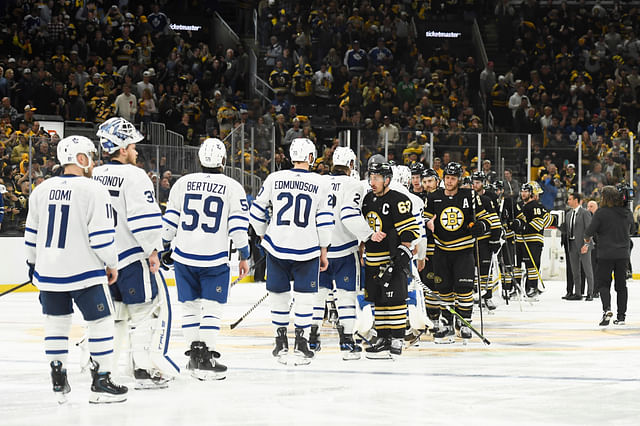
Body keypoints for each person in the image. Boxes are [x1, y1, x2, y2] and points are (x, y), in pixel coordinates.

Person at [24, 135, 127, 403]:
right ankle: (102, 380)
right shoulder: (94, 190)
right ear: (81, 159)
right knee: (102, 323)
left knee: (56, 324)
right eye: (91, 156)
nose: (94, 161)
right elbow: (102, 238)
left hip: (49, 274)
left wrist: (32, 264)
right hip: (85, 273)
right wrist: (112, 263)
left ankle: (58, 380)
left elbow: (31, 234)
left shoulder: (41, 190)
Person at [93, 117, 176, 389]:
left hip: (102, 260)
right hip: (130, 258)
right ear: (121, 147)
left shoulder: (93, 175)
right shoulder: (135, 175)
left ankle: (103, 368)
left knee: (113, 315)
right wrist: (154, 249)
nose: (136, 150)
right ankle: (142, 368)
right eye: (132, 145)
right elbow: (143, 219)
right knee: (147, 311)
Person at [162, 138, 250, 379]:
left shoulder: (183, 183)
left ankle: (194, 357)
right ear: (223, 160)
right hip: (214, 257)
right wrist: (245, 253)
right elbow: (238, 228)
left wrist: (163, 245)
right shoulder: (232, 186)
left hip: (184, 256)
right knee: (212, 307)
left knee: (189, 307)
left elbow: (170, 221)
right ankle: (206, 357)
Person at [249, 137, 333, 365]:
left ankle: (280, 342)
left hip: (277, 246)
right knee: (305, 298)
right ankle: (301, 343)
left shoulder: (275, 178)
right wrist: (324, 249)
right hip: (307, 247)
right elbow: (325, 220)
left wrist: (262, 234)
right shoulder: (321, 182)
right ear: (310, 157)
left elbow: (256, 211)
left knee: (279, 296)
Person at [309, 147, 372, 360]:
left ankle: (312, 337)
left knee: (317, 296)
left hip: (320, 250)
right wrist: (369, 236)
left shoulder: (318, 182)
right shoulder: (354, 184)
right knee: (346, 296)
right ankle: (347, 342)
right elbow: (349, 215)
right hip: (345, 249)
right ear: (352, 165)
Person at [424, 162, 493, 343]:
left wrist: (481, 226)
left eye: (453, 178)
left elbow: (486, 219)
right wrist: (427, 225)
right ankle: (446, 323)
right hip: (441, 250)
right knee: (444, 288)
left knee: (464, 289)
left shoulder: (469, 195)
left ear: (459, 180)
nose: (449, 181)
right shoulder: (434, 197)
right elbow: (424, 219)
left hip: (463, 250)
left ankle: (464, 323)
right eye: (447, 177)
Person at [361, 161, 421, 358]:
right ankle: (383, 337)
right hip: (372, 259)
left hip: (391, 259)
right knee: (378, 299)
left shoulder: (398, 199)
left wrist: (404, 249)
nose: (372, 181)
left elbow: (410, 229)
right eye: (371, 177)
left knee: (395, 299)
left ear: (387, 180)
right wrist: (363, 247)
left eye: (376, 178)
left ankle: (397, 337)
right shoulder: (368, 199)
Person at [584, 186, 634, 326]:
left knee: (604, 284)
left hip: (605, 253)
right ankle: (621, 316)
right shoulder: (626, 212)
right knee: (621, 285)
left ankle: (607, 310)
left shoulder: (601, 213)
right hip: (623, 254)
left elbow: (589, 232)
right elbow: (634, 228)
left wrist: (587, 240)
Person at [511, 182, 552, 298]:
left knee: (532, 266)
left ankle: (532, 288)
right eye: (522, 191)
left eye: (526, 191)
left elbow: (539, 224)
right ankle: (517, 288)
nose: (523, 193)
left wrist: (523, 227)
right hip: (519, 241)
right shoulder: (518, 205)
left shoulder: (537, 207)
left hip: (533, 241)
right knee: (517, 266)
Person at [471, 172, 502, 310]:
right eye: (473, 182)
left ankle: (487, 296)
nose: (474, 184)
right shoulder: (467, 198)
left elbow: (495, 219)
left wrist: (495, 239)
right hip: (470, 241)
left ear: (483, 182)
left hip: (485, 240)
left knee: (485, 270)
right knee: (471, 270)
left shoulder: (488, 198)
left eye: (478, 182)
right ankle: (475, 294)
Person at [565, 193, 595, 301]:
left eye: (570, 199)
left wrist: (586, 244)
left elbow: (589, 230)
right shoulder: (568, 214)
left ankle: (590, 292)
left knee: (587, 269)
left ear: (576, 200)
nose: (568, 201)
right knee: (575, 270)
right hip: (572, 244)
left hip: (583, 244)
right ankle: (577, 293)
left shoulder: (585, 213)